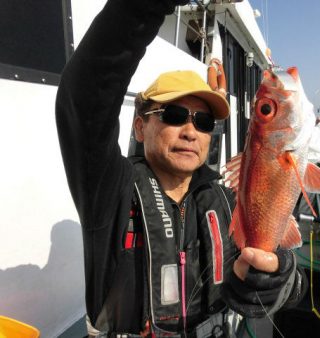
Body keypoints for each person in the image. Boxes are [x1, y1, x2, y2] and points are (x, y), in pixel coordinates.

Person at [55, 0, 302, 336]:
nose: (190, 131)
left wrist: (277, 275)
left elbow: (292, 289)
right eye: (173, 115)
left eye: (203, 121)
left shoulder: (227, 198)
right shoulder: (110, 190)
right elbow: (85, 96)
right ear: (140, 128)